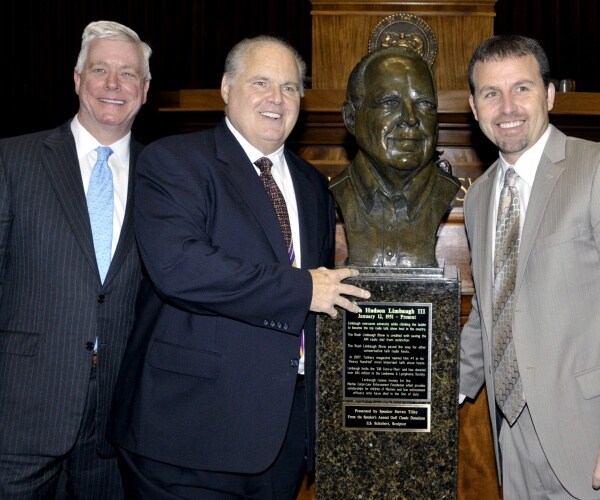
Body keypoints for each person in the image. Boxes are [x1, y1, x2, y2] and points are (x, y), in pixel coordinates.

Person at [108, 35, 370, 499]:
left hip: (282, 443)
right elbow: (181, 268)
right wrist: (300, 289)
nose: (277, 99)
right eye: (261, 83)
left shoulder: (313, 185)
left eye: (290, 88)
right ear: (227, 88)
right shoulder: (174, 161)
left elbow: (322, 301)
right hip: (188, 436)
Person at [0, 20, 151, 498]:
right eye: (100, 69)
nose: (112, 84)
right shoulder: (12, 160)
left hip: (116, 424)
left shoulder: (167, 176)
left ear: (145, 90)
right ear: (76, 79)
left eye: (127, 74)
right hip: (18, 414)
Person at [459, 34, 600, 498]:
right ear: (474, 108)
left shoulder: (594, 168)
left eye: (522, 88)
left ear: (550, 94)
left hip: (586, 433)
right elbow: (487, 310)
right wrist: (435, 395)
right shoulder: (479, 197)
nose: (508, 106)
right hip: (512, 439)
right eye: (491, 93)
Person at [329, 45, 460, 268]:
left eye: (425, 104)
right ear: (351, 118)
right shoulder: (327, 197)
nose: (410, 118)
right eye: (389, 103)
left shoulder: (449, 192)